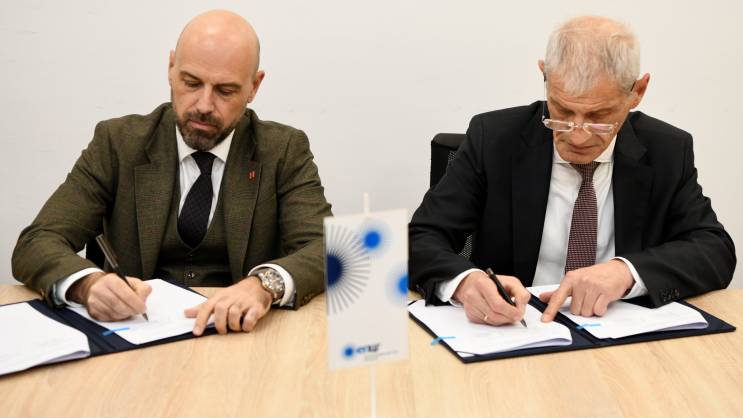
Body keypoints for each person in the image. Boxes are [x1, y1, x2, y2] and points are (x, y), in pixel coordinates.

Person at [12, 10, 332, 335]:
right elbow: (38, 241)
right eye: (191, 83)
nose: (204, 105)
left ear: (254, 86)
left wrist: (264, 285)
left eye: (225, 91)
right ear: (170, 69)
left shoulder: (283, 150)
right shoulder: (117, 144)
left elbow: (328, 248)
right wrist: (88, 284)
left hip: (238, 336)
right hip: (133, 334)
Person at [408, 15, 736, 326]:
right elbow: (420, 239)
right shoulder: (493, 139)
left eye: (599, 118)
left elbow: (714, 250)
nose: (578, 135)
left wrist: (626, 272)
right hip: (516, 330)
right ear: (545, 77)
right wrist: (465, 282)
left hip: (618, 332)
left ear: (637, 92)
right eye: (563, 112)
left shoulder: (667, 150)